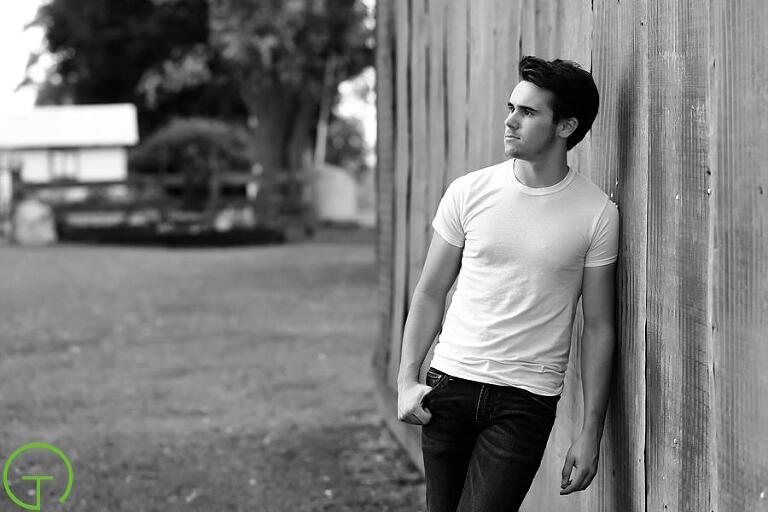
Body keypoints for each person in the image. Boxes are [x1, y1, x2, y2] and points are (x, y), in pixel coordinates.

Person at [396, 55, 619, 511]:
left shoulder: (596, 213)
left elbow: (597, 326)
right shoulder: (468, 192)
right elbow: (430, 292)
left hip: (525, 402)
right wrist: (406, 379)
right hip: (449, 385)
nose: (510, 121)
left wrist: (590, 429)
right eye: (511, 107)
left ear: (565, 126)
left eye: (528, 112)